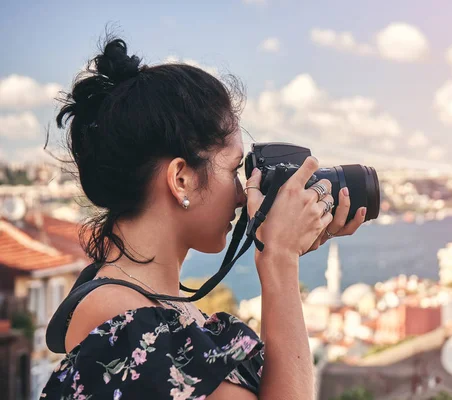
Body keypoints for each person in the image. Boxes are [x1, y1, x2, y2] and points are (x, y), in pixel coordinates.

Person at [40, 36, 367, 400]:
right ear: (181, 179)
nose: (243, 194)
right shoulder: (121, 322)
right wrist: (279, 260)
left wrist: (285, 248)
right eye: (232, 170)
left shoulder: (157, 309)